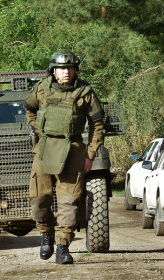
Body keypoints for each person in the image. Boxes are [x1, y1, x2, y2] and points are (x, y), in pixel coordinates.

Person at [23, 50, 104, 264]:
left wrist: (90, 155)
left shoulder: (85, 91)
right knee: (39, 201)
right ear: (53, 70)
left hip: (73, 149)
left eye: (70, 67)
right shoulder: (41, 88)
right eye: (61, 68)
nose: (66, 72)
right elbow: (29, 109)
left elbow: (97, 124)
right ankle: (46, 233)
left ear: (75, 69)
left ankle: (62, 247)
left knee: (69, 203)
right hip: (45, 147)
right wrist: (34, 129)